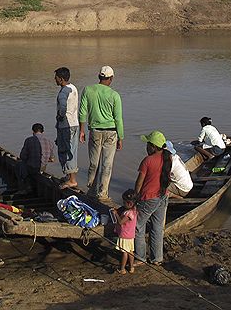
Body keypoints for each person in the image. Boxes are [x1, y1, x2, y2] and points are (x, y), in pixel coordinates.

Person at [79, 65, 124, 200]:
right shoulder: (114, 95)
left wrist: (81, 130)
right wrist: (121, 137)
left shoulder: (88, 90)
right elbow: (118, 118)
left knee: (94, 162)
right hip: (111, 133)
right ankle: (103, 193)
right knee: (107, 164)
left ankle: (91, 188)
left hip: (95, 132)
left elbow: (82, 112)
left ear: (99, 77)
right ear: (111, 78)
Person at [134, 130, 172, 266]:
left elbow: (139, 182)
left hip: (149, 198)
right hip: (163, 196)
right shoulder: (168, 158)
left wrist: (135, 198)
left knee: (138, 227)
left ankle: (140, 257)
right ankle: (157, 258)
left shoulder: (148, 161)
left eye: (148, 144)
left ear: (153, 147)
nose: (146, 147)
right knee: (157, 228)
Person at [54, 67, 80, 190]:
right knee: (72, 151)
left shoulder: (63, 92)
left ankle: (72, 180)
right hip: (74, 124)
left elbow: (63, 107)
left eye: (56, 77)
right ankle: (70, 177)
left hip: (66, 126)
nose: (55, 79)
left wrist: (60, 116)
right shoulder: (73, 88)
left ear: (61, 79)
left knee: (65, 151)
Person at [18, 123, 55, 193]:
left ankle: (25, 187)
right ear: (43, 132)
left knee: (20, 164)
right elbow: (52, 159)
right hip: (42, 168)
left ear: (33, 131)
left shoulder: (28, 140)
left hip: (31, 168)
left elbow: (22, 156)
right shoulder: (50, 142)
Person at [112, 189, 138, 274]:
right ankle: (131, 267)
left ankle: (122, 269)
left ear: (129, 203)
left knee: (124, 252)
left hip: (125, 235)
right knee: (130, 251)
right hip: (131, 235)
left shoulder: (128, 213)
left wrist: (116, 214)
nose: (123, 204)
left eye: (124, 202)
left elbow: (120, 222)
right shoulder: (134, 211)